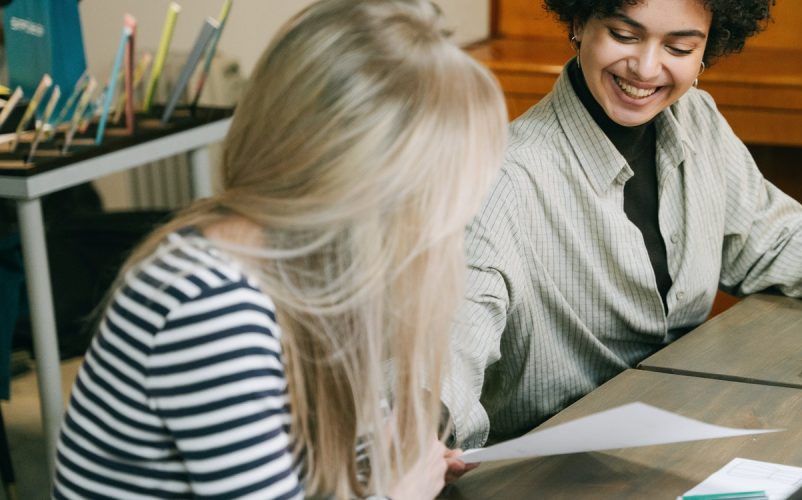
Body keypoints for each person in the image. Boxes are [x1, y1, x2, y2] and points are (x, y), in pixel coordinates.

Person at [443, 0, 802, 450]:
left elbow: (766, 237)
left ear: (707, 50)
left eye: (679, 46)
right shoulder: (503, 176)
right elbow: (449, 350)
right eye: (624, 34)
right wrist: (424, 448)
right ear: (579, 23)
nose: (646, 68)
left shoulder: (696, 117)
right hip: (554, 469)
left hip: (687, 425)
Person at [52, 0, 507, 497]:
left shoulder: (305, 268)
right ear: (364, 187)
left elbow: (329, 449)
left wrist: (393, 454)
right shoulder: (212, 308)